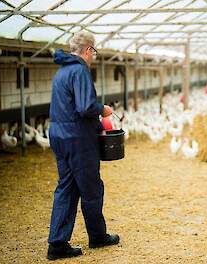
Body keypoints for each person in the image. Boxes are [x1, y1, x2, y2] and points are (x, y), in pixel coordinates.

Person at [46, 31, 119, 260]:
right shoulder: (79, 70)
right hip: (78, 139)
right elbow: (85, 107)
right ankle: (98, 237)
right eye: (94, 52)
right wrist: (103, 110)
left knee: (66, 188)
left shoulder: (61, 72)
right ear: (88, 50)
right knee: (91, 188)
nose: (94, 56)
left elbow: (68, 107)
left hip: (59, 136)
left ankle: (57, 243)